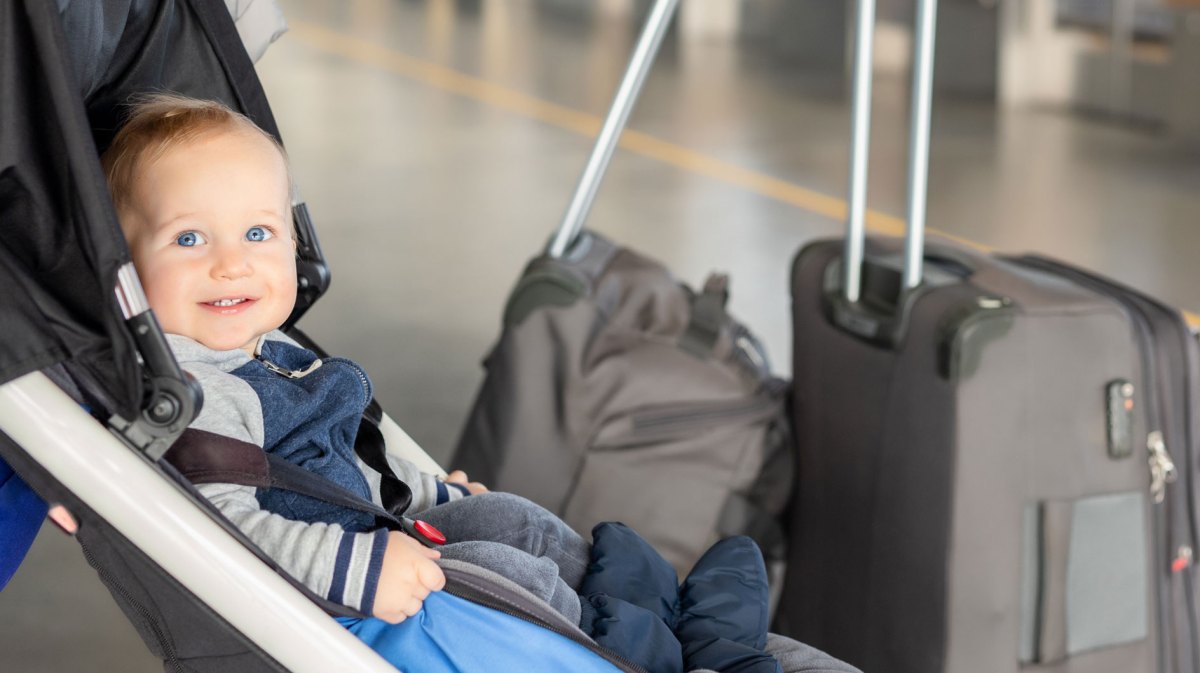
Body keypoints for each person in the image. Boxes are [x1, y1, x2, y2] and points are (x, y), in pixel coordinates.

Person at [100, 93, 780, 673]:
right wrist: (358, 569)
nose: (232, 264)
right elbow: (224, 527)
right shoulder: (192, 393)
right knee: (491, 562)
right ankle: (661, 646)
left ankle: (652, 597)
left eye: (258, 232)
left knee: (506, 517)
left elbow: (361, 453)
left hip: (380, 521)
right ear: (125, 266)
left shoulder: (270, 349)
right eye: (190, 239)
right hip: (342, 584)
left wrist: (434, 493)